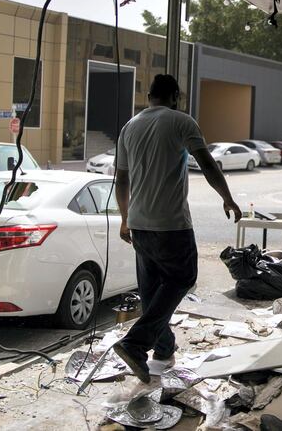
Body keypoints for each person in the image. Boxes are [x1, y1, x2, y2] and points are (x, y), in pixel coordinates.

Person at [113, 74, 242, 383]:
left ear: (149, 95)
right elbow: (208, 163)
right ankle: (135, 344)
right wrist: (227, 197)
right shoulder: (181, 122)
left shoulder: (129, 127)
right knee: (183, 277)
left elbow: (121, 180)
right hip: (170, 224)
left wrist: (124, 218)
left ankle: (163, 348)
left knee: (152, 289)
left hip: (139, 224)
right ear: (174, 96)